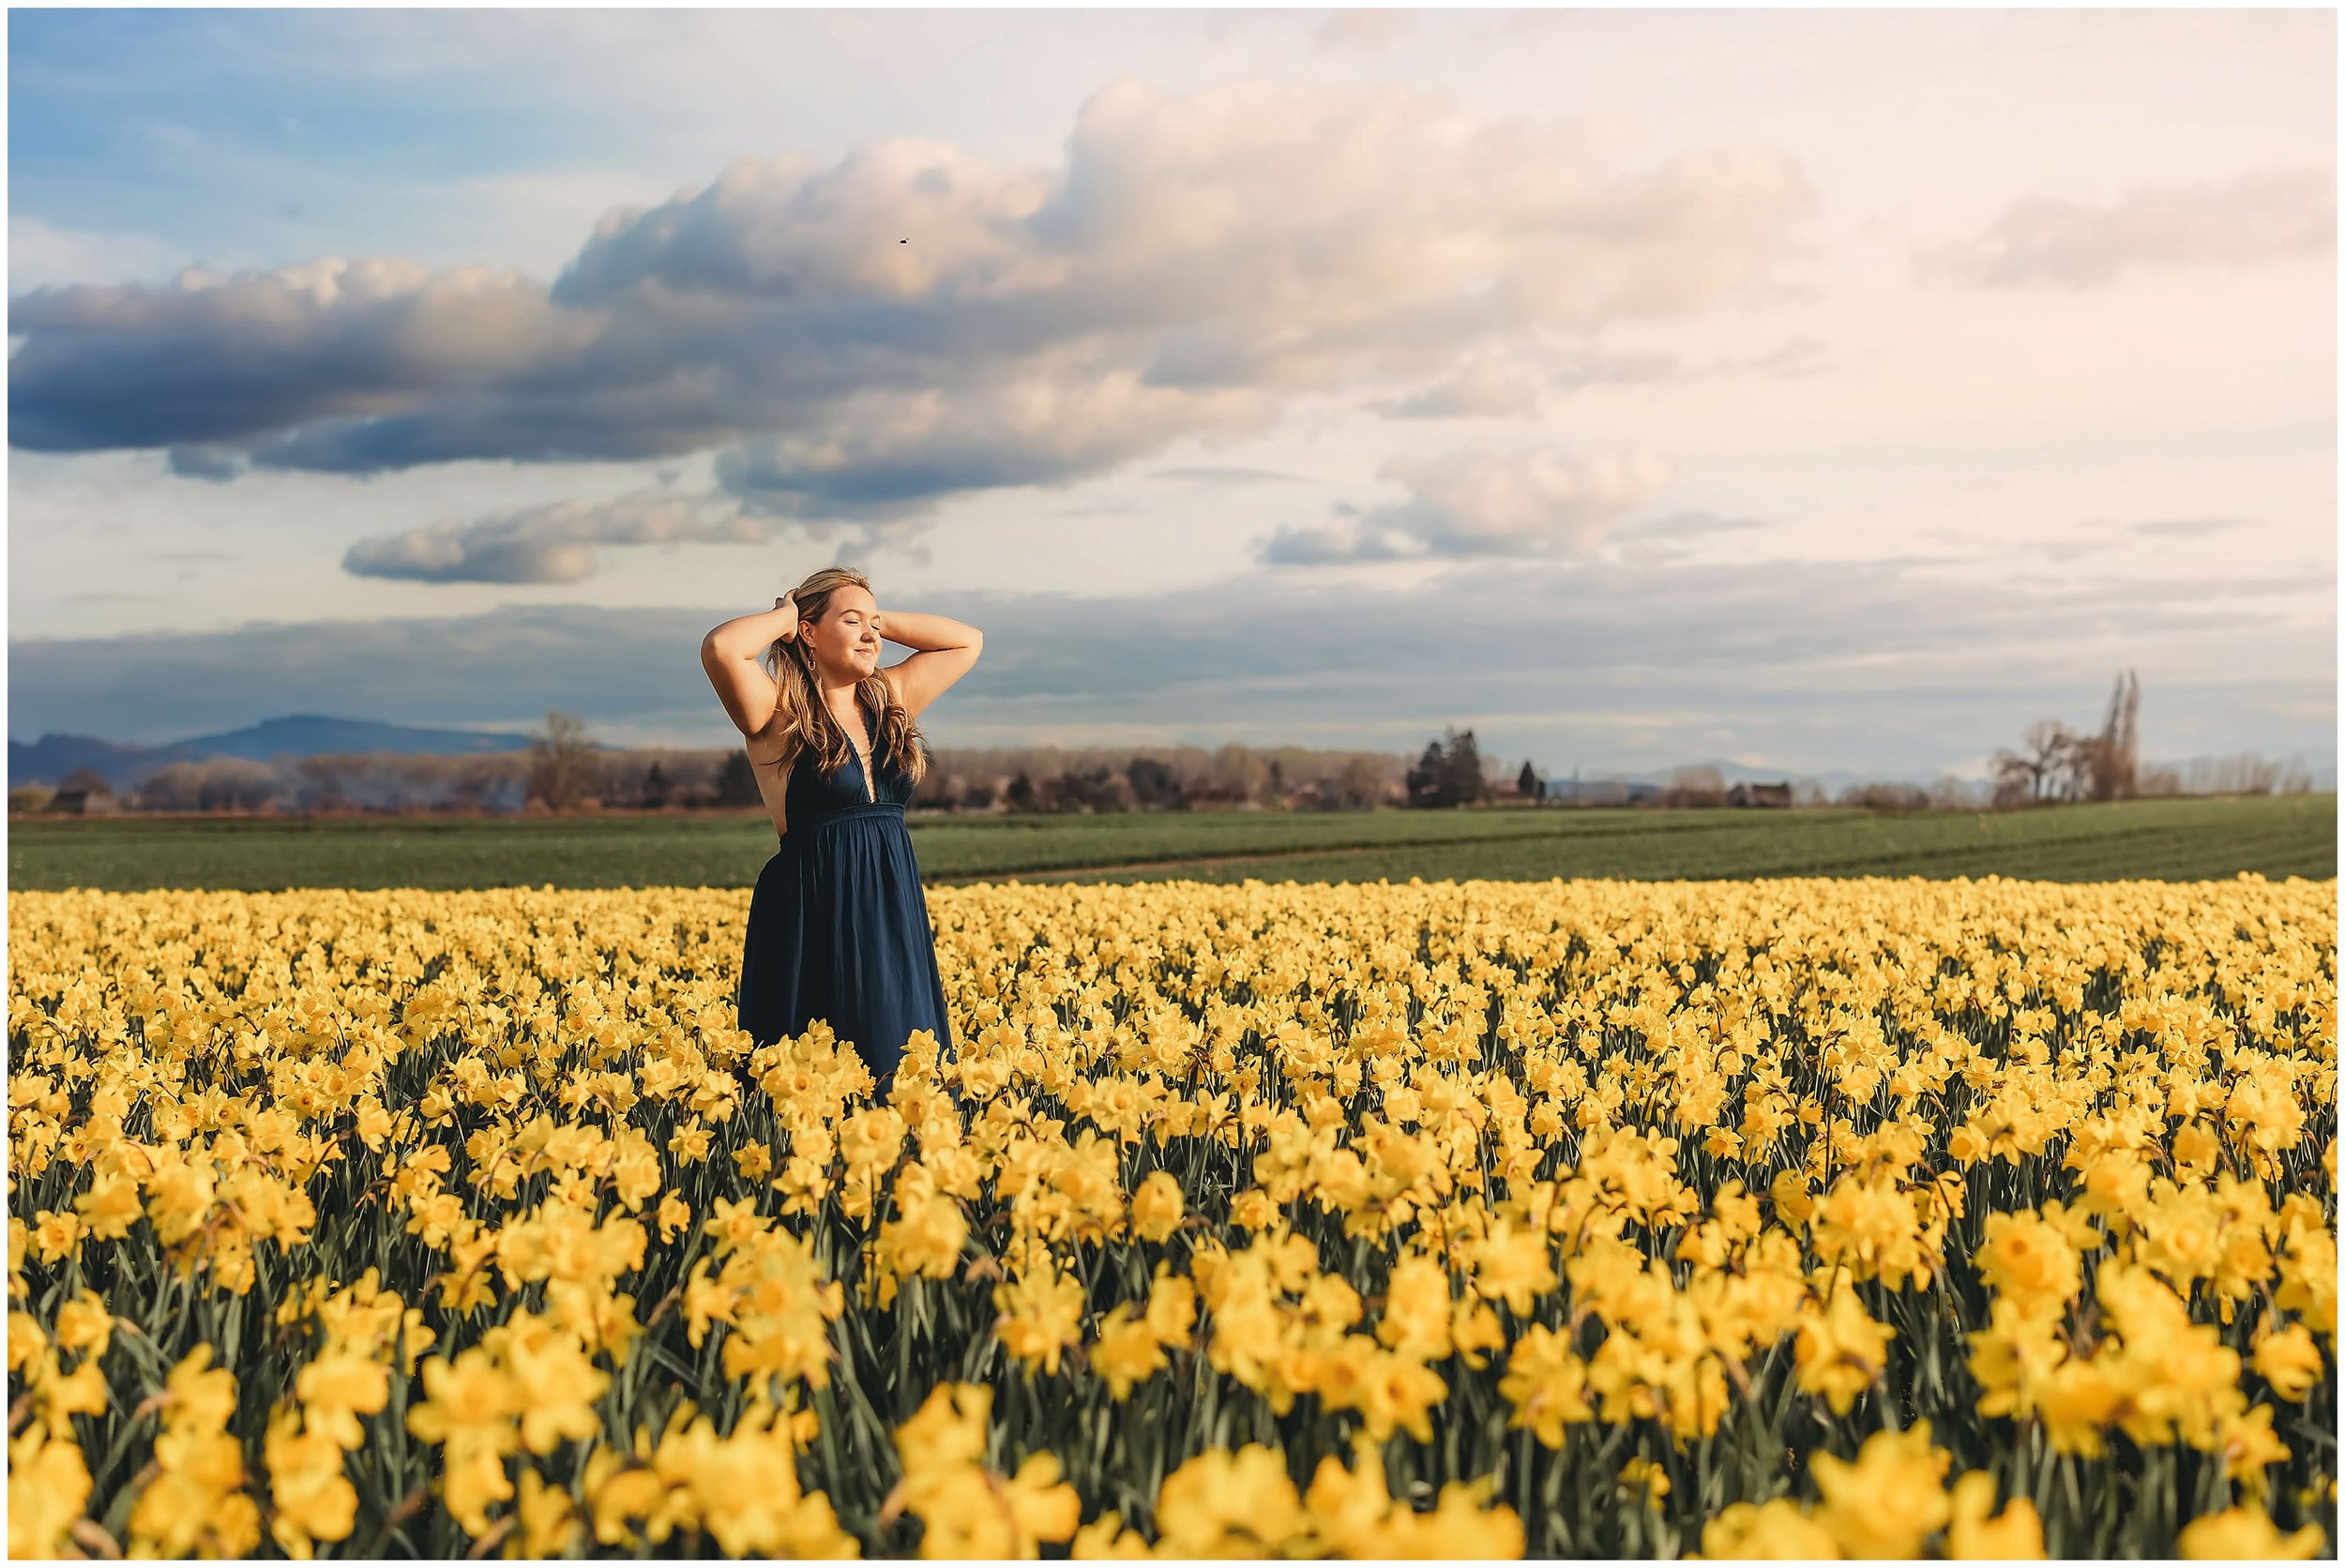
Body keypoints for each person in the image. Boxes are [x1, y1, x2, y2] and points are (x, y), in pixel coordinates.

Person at [699, 566, 981, 1102]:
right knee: (815, 1076)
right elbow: (722, 648)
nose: (870, 634)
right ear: (809, 633)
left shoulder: (890, 697)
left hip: (892, 900)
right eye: (850, 622)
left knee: (900, 1061)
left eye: (873, 624)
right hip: (812, 904)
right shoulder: (776, 711)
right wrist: (787, 615)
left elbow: (968, 642)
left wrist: (872, 621)